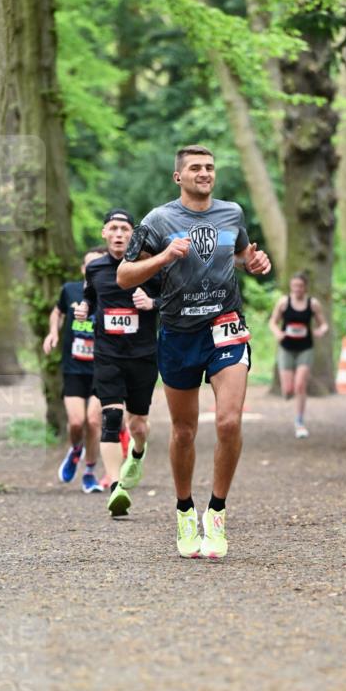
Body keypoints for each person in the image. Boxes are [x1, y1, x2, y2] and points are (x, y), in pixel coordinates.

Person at [117, 144, 271, 560]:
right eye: (196, 168)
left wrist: (253, 263)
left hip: (225, 327)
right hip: (179, 333)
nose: (205, 173)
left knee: (228, 421)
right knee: (184, 430)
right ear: (178, 177)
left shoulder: (232, 213)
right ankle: (185, 509)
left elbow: (238, 255)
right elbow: (124, 275)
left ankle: (216, 512)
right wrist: (164, 256)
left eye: (209, 167)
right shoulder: (158, 220)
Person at [75, 209, 160, 517]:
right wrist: (85, 307)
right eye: (114, 228)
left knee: (137, 424)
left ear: (132, 234)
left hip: (143, 355)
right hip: (108, 354)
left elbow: (173, 299)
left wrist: (152, 303)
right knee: (110, 417)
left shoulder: (149, 265)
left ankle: (137, 453)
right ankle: (116, 487)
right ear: (104, 234)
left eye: (125, 228)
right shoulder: (95, 268)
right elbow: (90, 297)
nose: (119, 233)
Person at [43, 249, 106, 493]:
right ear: (83, 269)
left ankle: (89, 473)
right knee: (76, 423)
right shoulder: (70, 290)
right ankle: (75, 449)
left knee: (93, 421)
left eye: (98, 266)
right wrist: (53, 333)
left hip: (101, 367)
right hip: (73, 367)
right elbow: (57, 312)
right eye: (89, 266)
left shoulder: (109, 292)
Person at [268, 272, 329, 438]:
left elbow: (323, 324)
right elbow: (273, 322)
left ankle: (299, 421)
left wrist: (320, 331)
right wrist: (277, 333)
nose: (297, 289)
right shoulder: (283, 302)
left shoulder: (313, 304)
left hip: (305, 348)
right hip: (286, 347)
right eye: (294, 286)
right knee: (288, 390)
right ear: (291, 287)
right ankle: (289, 393)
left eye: (300, 286)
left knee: (300, 385)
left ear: (305, 288)